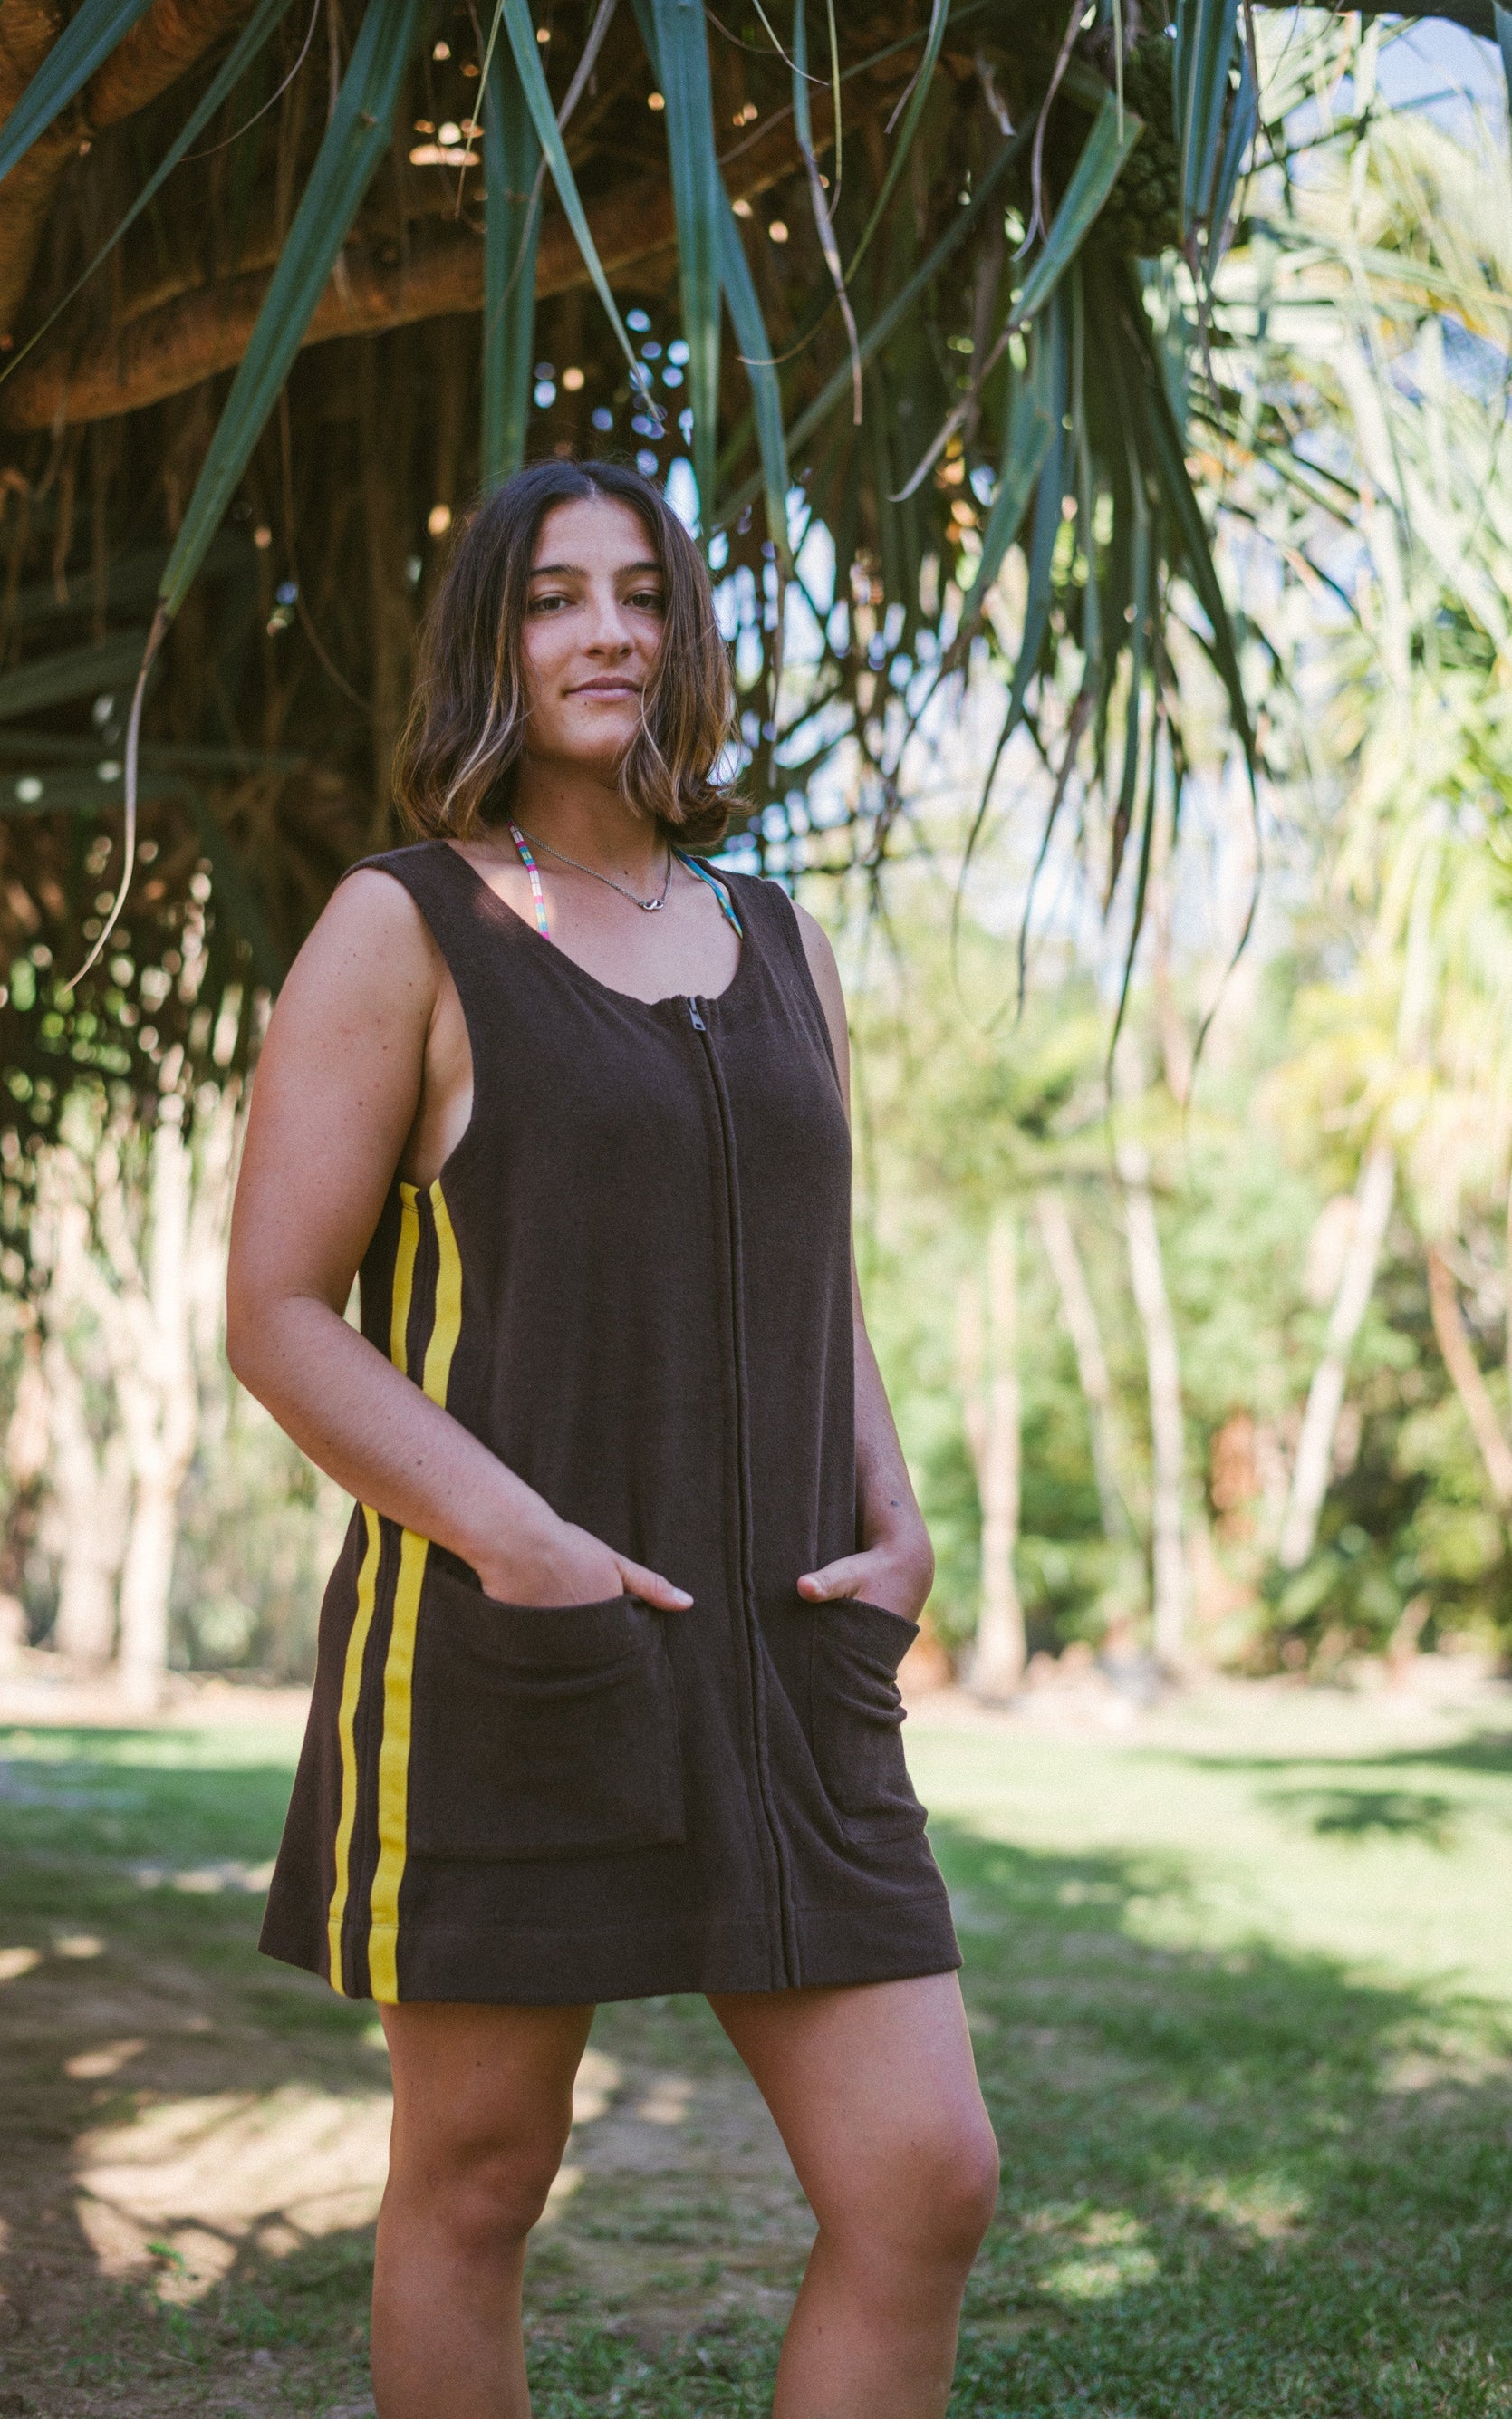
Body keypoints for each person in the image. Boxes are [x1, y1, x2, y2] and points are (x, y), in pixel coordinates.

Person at [226, 458, 998, 2419]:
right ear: (491, 637)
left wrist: (896, 1516)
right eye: (556, 595)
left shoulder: (782, 939)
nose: (608, 633)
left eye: (643, 594)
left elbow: (817, 1268)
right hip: (515, 1645)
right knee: (480, 2180)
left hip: (792, 1655)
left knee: (924, 2179)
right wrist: (526, 1543)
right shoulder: (405, 925)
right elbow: (279, 1314)